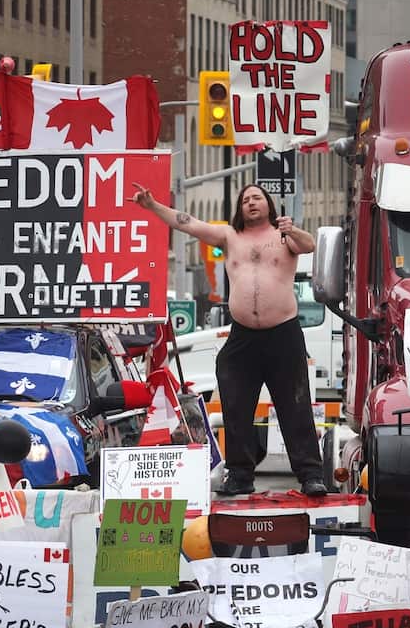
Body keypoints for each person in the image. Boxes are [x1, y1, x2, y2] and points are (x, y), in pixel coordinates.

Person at [131, 182, 326, 496]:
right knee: (235, 407)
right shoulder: (229, 237)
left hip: (283, 335)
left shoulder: (285, 236)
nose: (250, 203)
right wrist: (152, 205)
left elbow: (310, 245)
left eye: (257, 198)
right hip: (242, 339)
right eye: (245, 199)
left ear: (269, 205)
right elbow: (188, 223)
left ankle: (310, 475)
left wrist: (293, 230)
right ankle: (239, 475)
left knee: (295, 407)